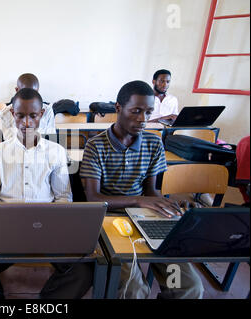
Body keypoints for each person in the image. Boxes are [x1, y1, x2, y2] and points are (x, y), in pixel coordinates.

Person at [0, 88, 93, 299]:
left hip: (48, 229)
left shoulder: (56, 152)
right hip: (5, 230)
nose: (27, 123)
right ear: (12, 115)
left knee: (83, 271)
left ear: (42, 116)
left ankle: (46, 304)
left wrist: (56, 222)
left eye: (33, 115)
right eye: (20, 115)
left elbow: (64, 198)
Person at [80, 80, 204, 299]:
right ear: (118, 108)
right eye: (136, 111)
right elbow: (93, 198)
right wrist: (138, 200)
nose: (143, 119)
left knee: (188, 286)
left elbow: (151, 192)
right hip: (109, 220)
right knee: (134, 290)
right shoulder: (96, 145)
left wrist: (172, 206)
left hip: (146, 215)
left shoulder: (153, 143)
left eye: (148, 112)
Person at [0, 73, 56, 140]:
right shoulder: (5, 114)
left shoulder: (47, 111)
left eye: (34, 93)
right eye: (20, 115)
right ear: (17, 90)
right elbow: (8, 142)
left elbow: (51, 140)